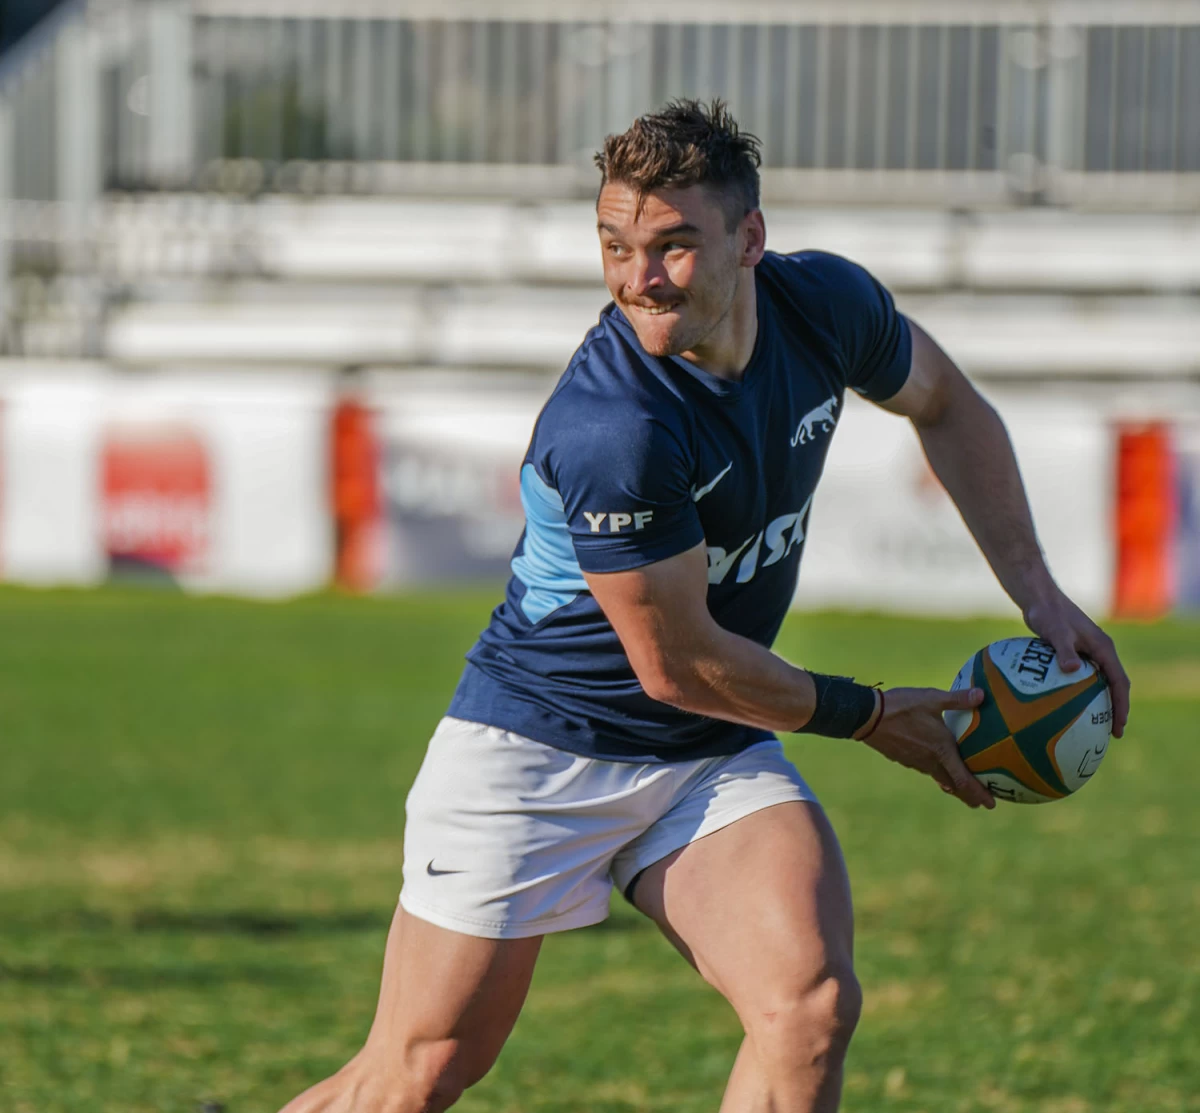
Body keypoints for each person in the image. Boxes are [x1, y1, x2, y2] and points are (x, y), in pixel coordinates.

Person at [280, 99, 1131, 1113]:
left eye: (674, 246)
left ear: (750, 241)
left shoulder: (826, 308)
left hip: (708, 750)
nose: (638, 276)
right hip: (538, 751)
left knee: (806, 1007)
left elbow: (945, 403)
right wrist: (867, 714)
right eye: (615, 245)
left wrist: (1040, 594)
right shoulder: (614, 425)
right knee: (418, 1074)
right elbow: (674, 661)